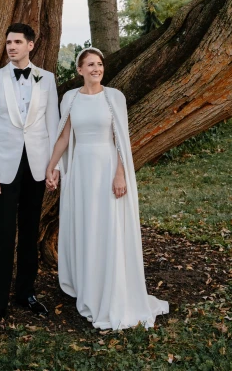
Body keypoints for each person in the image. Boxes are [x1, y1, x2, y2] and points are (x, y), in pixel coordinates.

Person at [46, 47, 169, 331]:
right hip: (81, 171)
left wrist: (120, 173)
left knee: (108, 226)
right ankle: (90, 288)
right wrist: (52, 166)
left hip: (107, 167)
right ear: (79, 70)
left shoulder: (114, 97)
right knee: (87, 226)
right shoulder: (70, 98)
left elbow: (120, 139)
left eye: (99, 64)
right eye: (89, 64)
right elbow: (65, 136)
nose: (96, 69)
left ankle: (112, 289)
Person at [0, 22, 60, 330]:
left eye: (17, 42)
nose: (11, 46)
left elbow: (53, 126)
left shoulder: (46, 79)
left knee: (29, 233)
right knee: (3, 235)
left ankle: (25, 294)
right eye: (8, 41)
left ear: (30, 45)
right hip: (5, 170)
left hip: (37, 168)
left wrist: (54, 168)